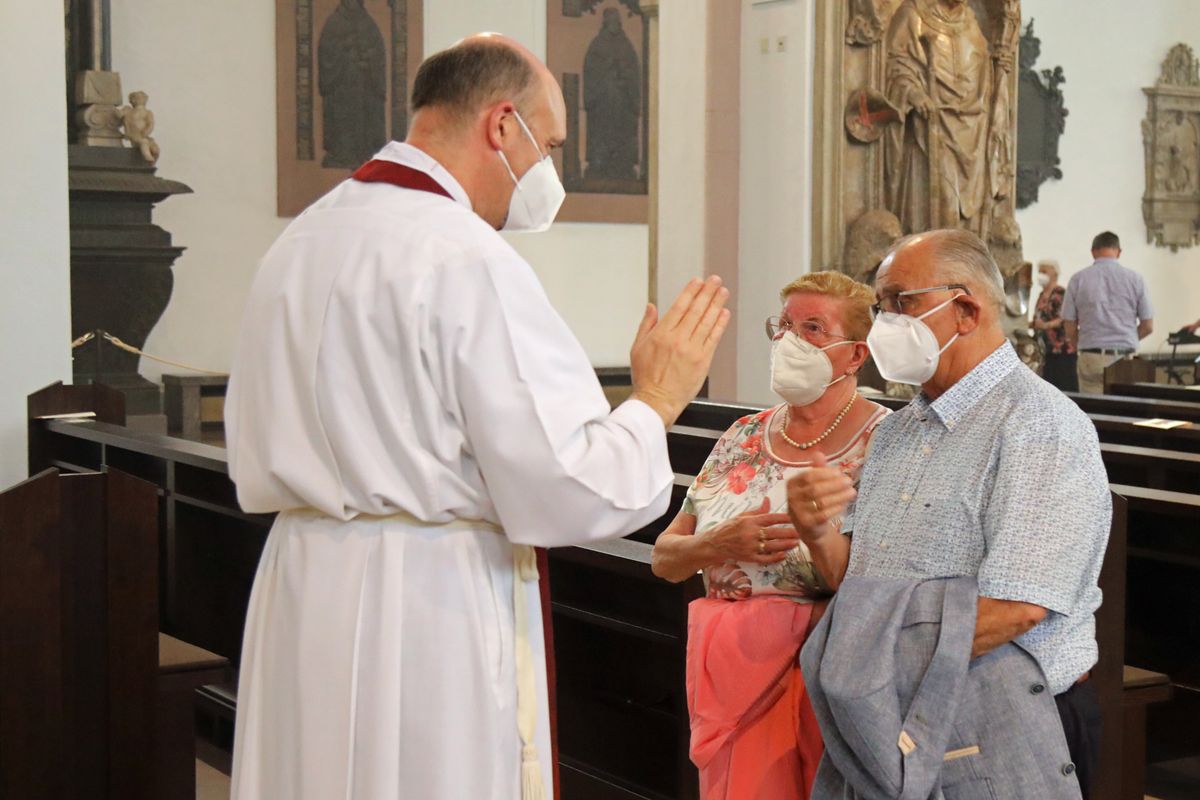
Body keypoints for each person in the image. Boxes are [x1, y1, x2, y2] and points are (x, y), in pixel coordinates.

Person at [225, 34, 730, 800]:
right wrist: (656, 400)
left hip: (302, 580)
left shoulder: (302, 240)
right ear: (502, 125)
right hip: (425, 604)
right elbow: (570, 487)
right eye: (549, 144)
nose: (547, 171)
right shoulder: (466, 258)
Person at [787, 229, 1111, 799]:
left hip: (1006, 711)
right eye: (879, 304)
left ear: (964, 309)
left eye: (899, 302)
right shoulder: (897, 432)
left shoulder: (1038, 424)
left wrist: (865, 669)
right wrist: (817, 533)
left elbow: (1017, 609)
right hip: (908, 702)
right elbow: (858, 583)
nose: (883, 321)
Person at [651, 271, 889, 800]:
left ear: (855, 355)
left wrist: (818, 531)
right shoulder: (742, 435)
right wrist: (719, 543)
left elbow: (883, 584)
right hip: (726, 673)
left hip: (821, 674)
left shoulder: (887, 443)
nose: (789, 340)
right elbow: (665, 559)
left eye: (812, 328)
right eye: (782, 326)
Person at [1062, 231, 1154, 393]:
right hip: (1125, 359)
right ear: (1118, 252)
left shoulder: (1078, 279)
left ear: (1093, 252)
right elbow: (1148, 326)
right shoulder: (1135, 279)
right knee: (1125, 411)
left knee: (1093, 411)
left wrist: (1083, 344)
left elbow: (1069, 324)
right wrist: (1127, 338)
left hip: (1091, 356)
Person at [1032, 259, 1078, 392]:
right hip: (1045, 350)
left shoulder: (1060, 293)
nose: (1041, 275)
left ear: (1054, 274)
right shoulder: (1042, 295)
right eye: (1039, 271)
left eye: (1044, 271)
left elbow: (1065, 318)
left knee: (1064, 388)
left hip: (1061, 350)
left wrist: (1046, 325)